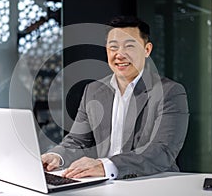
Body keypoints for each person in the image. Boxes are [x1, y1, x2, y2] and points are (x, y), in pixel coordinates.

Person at [41, 16, 189, 179]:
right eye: (113, 47)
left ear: (147, 50)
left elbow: (162, 150)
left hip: (152, 182)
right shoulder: (93, 90)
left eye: (129, 46)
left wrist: (106, 166)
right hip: (105, 183)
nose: (120, 54)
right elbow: (76, 141)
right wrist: (56, 156)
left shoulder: (170, 92)